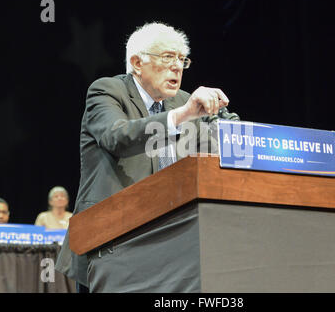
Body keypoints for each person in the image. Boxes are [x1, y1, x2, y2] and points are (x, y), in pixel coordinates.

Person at [55, 22, 231, 293]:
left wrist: (237, 132)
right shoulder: (107, 91)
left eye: (182, 59)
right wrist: (184, 114)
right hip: (111, 244)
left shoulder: (182, 101)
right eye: (168, 57)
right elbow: (118, 136)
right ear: (137, 63)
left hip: (175, 244)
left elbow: (226, 130)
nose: (177, 66)